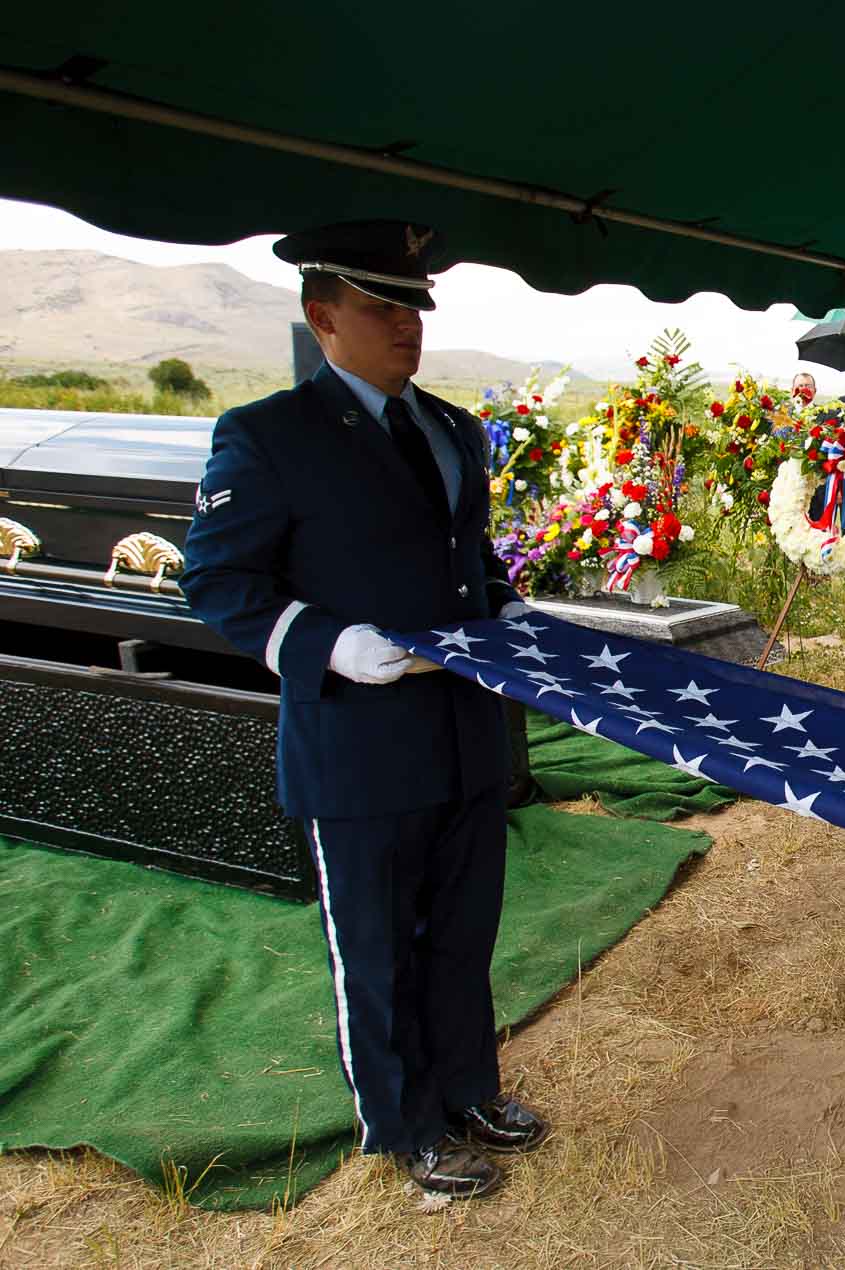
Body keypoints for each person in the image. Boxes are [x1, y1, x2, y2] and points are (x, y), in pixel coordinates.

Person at [180, 221, 549, 1199]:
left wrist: (507, 607)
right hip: (360, 744)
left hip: (465, 735)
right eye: (381, 307)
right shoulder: (267, 437)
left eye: (413, 306)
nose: (404, 326)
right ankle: (402, 1126)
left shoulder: (451, 428)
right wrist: (325, 642)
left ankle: (468, 1090)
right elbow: (217, 578)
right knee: (380, 947)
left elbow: (460, 559)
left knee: (464, 932)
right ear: (321, 315)